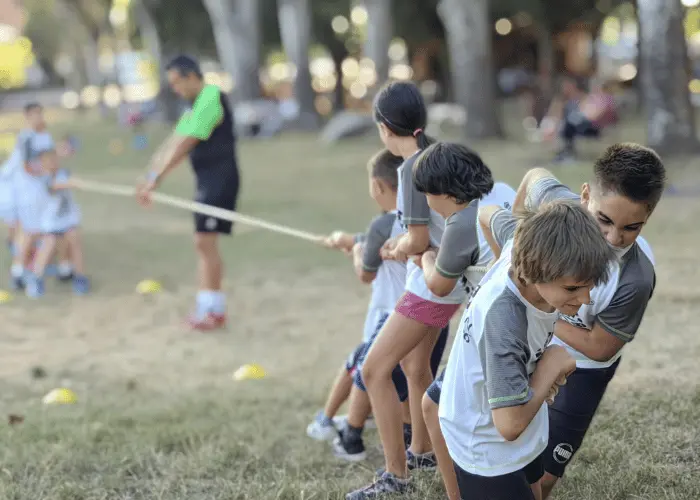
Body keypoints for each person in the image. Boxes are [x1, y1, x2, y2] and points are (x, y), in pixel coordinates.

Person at [346, 82, 497, 500]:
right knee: (416, 368)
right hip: (445, 280)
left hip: (434, 286)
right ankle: (421, 450)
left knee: (374, 369)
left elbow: (415, 238)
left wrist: (390, 247)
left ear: (382, 127)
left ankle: (395, 476)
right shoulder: (436, 150)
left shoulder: (410, 168)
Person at [513, 143, 665, 498]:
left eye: (632, 227)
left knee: (545, 475)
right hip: (532, 343)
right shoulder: (559, 206)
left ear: (648, 217)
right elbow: (534, 177)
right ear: (585, 196)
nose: (614, 238)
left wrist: (541, 309)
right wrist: (518, 230)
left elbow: (598, 347)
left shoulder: (636, 279)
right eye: (604, 220)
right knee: (505, 439)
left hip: (583, 371)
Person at [440, 199, 616, 500]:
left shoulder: (521, 244)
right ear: (534, 272)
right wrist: (549, 367)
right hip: (487, 447)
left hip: (520, 421)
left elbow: (486, 212)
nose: (586, 299)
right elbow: (508, 425)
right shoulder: (505, 321)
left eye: (590, 286)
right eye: (573, 288)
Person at [412, 143, 516, 500]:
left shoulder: (461, 220)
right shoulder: (504, 192)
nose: (427, 203)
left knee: (434, 405)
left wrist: (426, 257)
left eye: (427, 194)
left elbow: (439, 285)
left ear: (445, 192)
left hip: (494, 327)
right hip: (528, 318)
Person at [136, 55, 240, 330]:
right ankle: (209, 307)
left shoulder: (211, 97)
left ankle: (213, 311)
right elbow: (174, 140)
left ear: (192, 76)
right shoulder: (193, 106)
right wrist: (148, 175)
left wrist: (156, 179)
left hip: (220, 181)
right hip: (206, 182)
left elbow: (185, 144)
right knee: (203, 243)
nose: (175, 89)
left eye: (177, 82)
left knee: (205, 243)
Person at [23, 149, 89, 297]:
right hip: (51, 221)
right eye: (48, 161)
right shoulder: (43, 178)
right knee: (48, 245)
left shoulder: (64, 173)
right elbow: (54, 186)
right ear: (42, 163)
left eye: (54, 160)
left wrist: (76, 181)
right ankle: (36, 279)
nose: (53, 163)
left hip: (69, 218)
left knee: (75, 241)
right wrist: (70, 184)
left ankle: (81, 278)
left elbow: (71, 179)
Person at [10, 103, 56, 291]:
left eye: (40, 113)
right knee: (31, 231)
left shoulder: (45, 136)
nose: (39, 117)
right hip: (29, 191)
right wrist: (46, 173)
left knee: (42, 230)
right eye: (35, 114)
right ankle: (19, 271)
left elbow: (52, 160)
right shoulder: (26, 137)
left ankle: (34, 267)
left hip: (42, 191)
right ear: (28, 116)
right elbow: (28, 166)